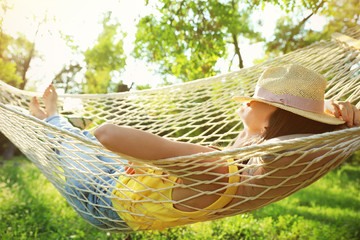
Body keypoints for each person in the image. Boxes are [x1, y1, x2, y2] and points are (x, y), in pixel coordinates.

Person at [30, 64, 360, 231]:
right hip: (122, 187)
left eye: (258, 99)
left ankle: (52, 120)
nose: (247, 99)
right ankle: (51, 127)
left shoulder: (215, 168)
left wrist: (159, 153)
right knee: (79, 147)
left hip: (99, 195)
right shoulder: (242, 165)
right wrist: (335, 117)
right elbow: (296, 140)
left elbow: (108, 135)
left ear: (271, 124)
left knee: (81, 143)